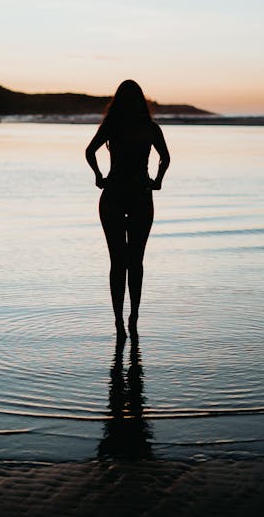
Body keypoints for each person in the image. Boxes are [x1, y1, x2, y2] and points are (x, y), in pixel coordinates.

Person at [85, 80, 170, 339]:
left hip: (113, 195)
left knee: (118, 262)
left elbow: (90, 152)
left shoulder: (112, 125)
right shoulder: (150, 128)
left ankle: (120, 322)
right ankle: (132, 318)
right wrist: (157, 181)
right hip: (140, 195)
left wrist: (99, 176)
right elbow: (165, 158)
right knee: (135, 261)